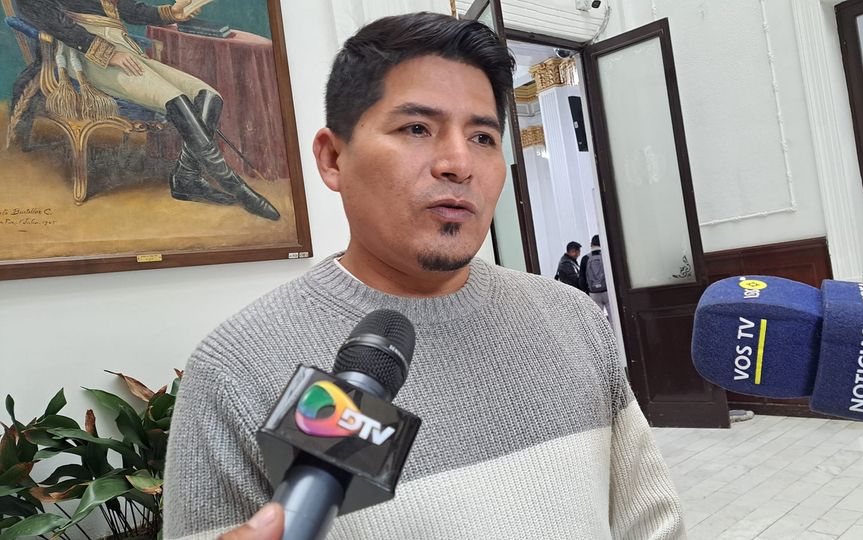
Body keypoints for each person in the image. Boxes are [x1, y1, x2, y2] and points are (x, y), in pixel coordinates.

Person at [163, 12, 684, 539]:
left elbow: (650, 523)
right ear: (333, 158)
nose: (459, 163)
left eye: (482, 137)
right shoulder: (237, 369)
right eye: (417, 128)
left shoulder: (573, 319)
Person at [14, 0, 279, 220]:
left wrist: (171, 13)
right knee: (174, 99)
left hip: (127, 51)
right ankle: (237, 188)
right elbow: (52, 21)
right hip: (88, 59)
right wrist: (108, 54)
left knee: (209, 95)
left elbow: (126, 9)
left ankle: (186, 178)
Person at [580, 234, 611, 318]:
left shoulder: (585, 258)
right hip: (607, 291)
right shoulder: (606, 256)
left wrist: (587, 291)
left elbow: (582, 278)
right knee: (613, 317)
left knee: (598, 318)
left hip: (593, 293)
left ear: (591, 244)